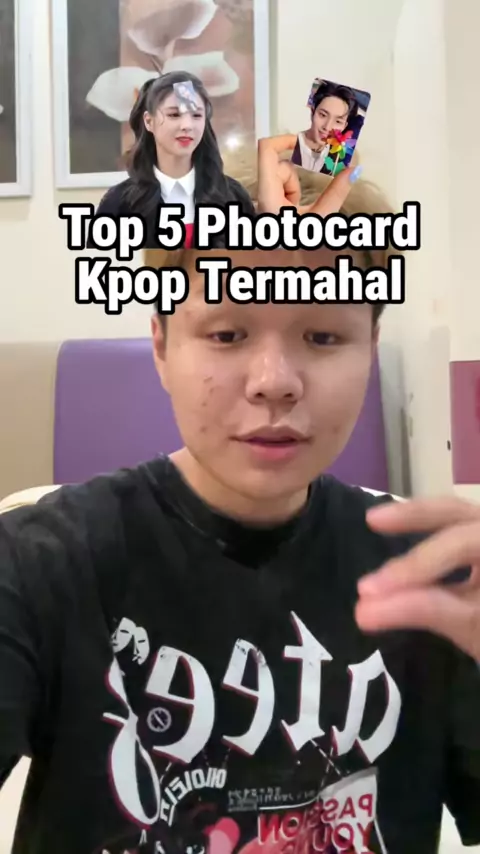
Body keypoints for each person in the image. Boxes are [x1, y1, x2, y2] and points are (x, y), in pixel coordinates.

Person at [0, 144, 479, 854]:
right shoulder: (40, 565)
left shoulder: (438, 583)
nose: (274, 380)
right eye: (227, 333)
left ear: (371, 346)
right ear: (161, 343)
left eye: (323, 335)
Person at [88, 71, 255, 249]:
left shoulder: (233, 197)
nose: (187, 126)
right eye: (174, 115)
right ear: (149, 121)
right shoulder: (119, 202)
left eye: (196, 115)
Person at [291, 80, 360, 175]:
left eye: (338, 121)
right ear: (312, 112)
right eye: (323, 115)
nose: (327, 127)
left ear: (344, 126)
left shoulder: (340, 158)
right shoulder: (290, 143)